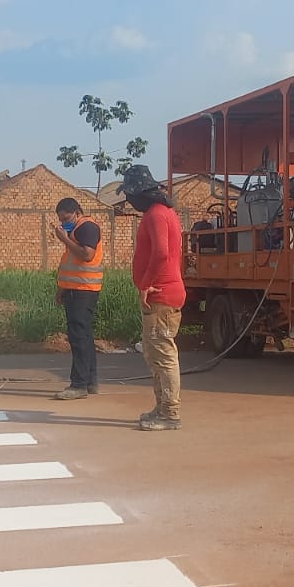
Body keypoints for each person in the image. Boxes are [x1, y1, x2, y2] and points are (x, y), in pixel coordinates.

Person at [119, 166, 186, 431]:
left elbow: (160, 254)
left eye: (129, 195)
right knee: (154, 354)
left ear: (139, 193)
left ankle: (170, 413)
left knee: (163, 354)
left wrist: (145, 285)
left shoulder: (156, 216)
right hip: (163, 292)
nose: (128, 201)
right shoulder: (164, 213)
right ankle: (162, 407)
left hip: (161, 293)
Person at [51, 197, 103, 400]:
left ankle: (79, 384)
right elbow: (71, 263)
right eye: (60, 220)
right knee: (83, 336)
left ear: (76, 212)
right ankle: (90, 381)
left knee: (79, 337)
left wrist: (64, 239)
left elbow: (86, 255)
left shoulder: (87, 227)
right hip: (74, 288)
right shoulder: (76, 230)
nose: (63, 223)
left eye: (65, 218)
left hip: (84, 289)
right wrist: (61, 289)